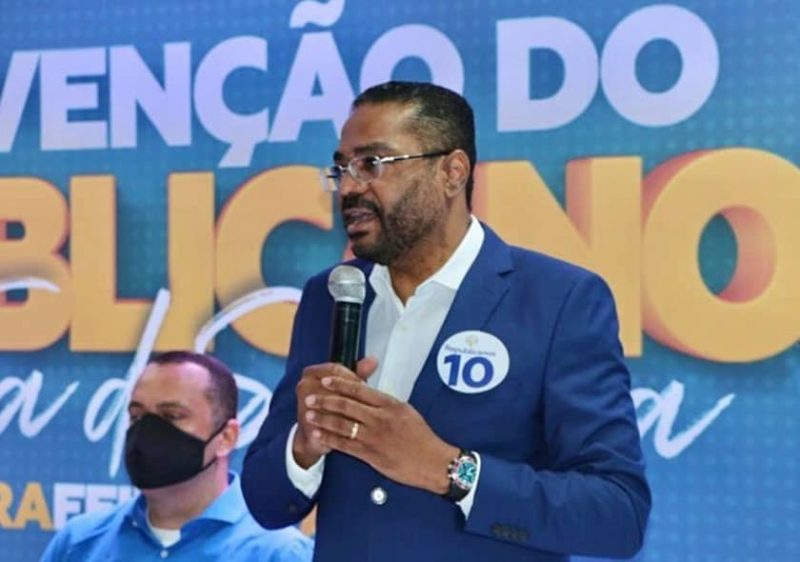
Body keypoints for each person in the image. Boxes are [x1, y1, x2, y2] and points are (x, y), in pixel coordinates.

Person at [242, 81, 650, 561]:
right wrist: (306, 445)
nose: (349, 188)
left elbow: (617, 515)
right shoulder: (330, 295)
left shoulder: (559, 300)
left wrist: (449, 470)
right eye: (342, 169)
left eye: (372, 164)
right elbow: (265, 501)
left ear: (452, 172)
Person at [41, 351, 312, 562]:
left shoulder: (279, 553)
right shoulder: (79, 543)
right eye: (137, 416)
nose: (148, 431)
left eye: (171, 416)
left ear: (226, 437)